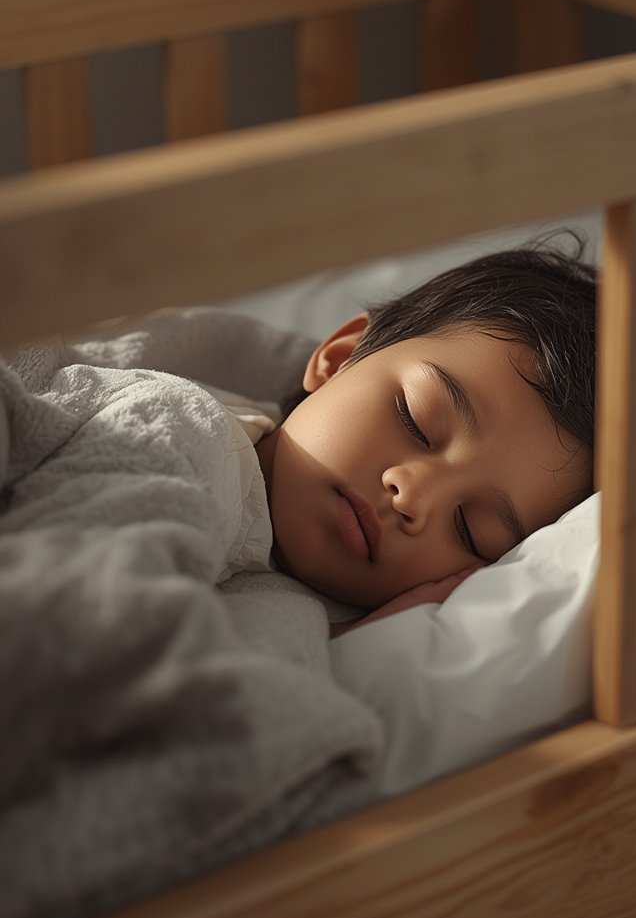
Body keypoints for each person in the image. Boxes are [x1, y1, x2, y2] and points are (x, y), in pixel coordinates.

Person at [239, 240, 598, 628]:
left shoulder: (390, 643)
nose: (412, 496)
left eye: (469, 531)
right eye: (414, 422)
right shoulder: (202, 441)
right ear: (341, 357)